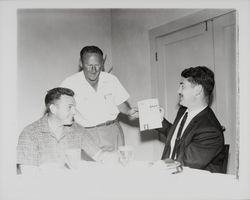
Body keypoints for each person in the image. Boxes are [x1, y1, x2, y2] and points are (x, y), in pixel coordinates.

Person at [17, 87, 118, 174]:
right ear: (53, 109)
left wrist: (113, 158)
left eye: (74, 107)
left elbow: (99, 155)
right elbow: (29, 175)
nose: (74, 112)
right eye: (69, 107)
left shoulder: (78, 130)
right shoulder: (30, 133)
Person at [60, 46, 137, 152]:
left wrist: (129, 111)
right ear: (81, 63)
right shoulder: (69, 83)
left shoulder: (111, 80)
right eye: (89, 65)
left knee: (117, 166)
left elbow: (121, 104)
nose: (93, 70)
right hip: (85, 134)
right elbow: (61, 111)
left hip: (112, 131)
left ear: (102, 64)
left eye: (97, 65)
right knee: (89, 167)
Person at [157, 66, 225, 173]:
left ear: (198, 90)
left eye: (182, 86)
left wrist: (154, 167)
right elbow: (179, 138)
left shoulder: (210, 131)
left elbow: (183, 165)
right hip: (173, 177)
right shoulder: (184, 110)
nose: (178, 90)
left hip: (194, 184)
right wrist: (159, 120)